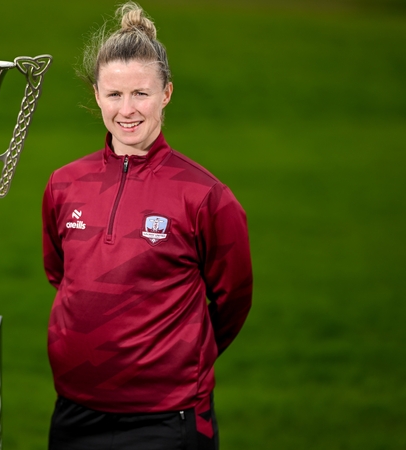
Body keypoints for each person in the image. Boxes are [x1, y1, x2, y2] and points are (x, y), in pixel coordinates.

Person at [41, 3, 253, 449]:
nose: (127, 110)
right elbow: (62, 275)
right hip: (75, 413)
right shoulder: (65, 184)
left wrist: (177, 354)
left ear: (167, 94)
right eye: (114, 94)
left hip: (167, 419)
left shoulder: (205, 196)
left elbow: (231, 299)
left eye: (141, 93)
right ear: (96, 94)